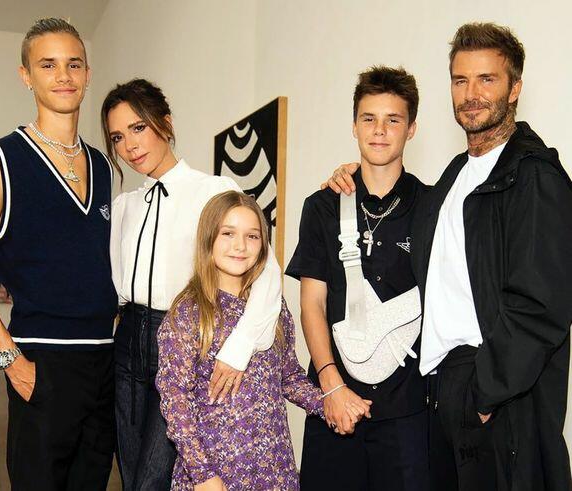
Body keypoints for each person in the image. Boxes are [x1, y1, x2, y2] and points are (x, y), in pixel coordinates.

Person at [326, 23, 572, 491]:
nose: (471, 94)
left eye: (487, 79)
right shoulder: (453, 178)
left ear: (515, 88)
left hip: (495, 391)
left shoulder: (533, 176)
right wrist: (352, 178)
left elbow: (542, 304)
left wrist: (485, 394)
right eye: (461, 80)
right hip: (441, 390)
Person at [102, 79, 283, 490]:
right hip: (128, 340)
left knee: (154, 477)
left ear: (165, 123)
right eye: (118, 137)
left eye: (138, 127)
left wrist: (238, 348)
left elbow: (268, 273)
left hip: (187, 338)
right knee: (131, 472)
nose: (129, 145)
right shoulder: (125, 205)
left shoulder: (213, 190)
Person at [0, 18, 117, 490]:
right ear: (26, 76)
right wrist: (10, 362)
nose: (63, 76)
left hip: (105, 362)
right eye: (48, 65)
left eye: (73, 64)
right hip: (42, 361)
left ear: (87, 74)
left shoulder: (102, 164)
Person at [285, 66, 428, 490]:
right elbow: (311, 303)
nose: (379, 130)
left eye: (393, 119)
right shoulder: (322, 207)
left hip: (408, 411)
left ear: (411, 128)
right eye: (369, 118)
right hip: (335, 401)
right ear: (354, 126)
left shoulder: (432, 206)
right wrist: (330, 386)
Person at [156, 190, 329, 490]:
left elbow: (288, 378)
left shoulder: (273, 309)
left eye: (252, 236)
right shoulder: (189, 312)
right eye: (228, 233)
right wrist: (202, 474)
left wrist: (329, 404)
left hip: (273, 469)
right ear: (208, 238)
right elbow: (176, 402)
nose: (240, 246)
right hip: (214, 472)